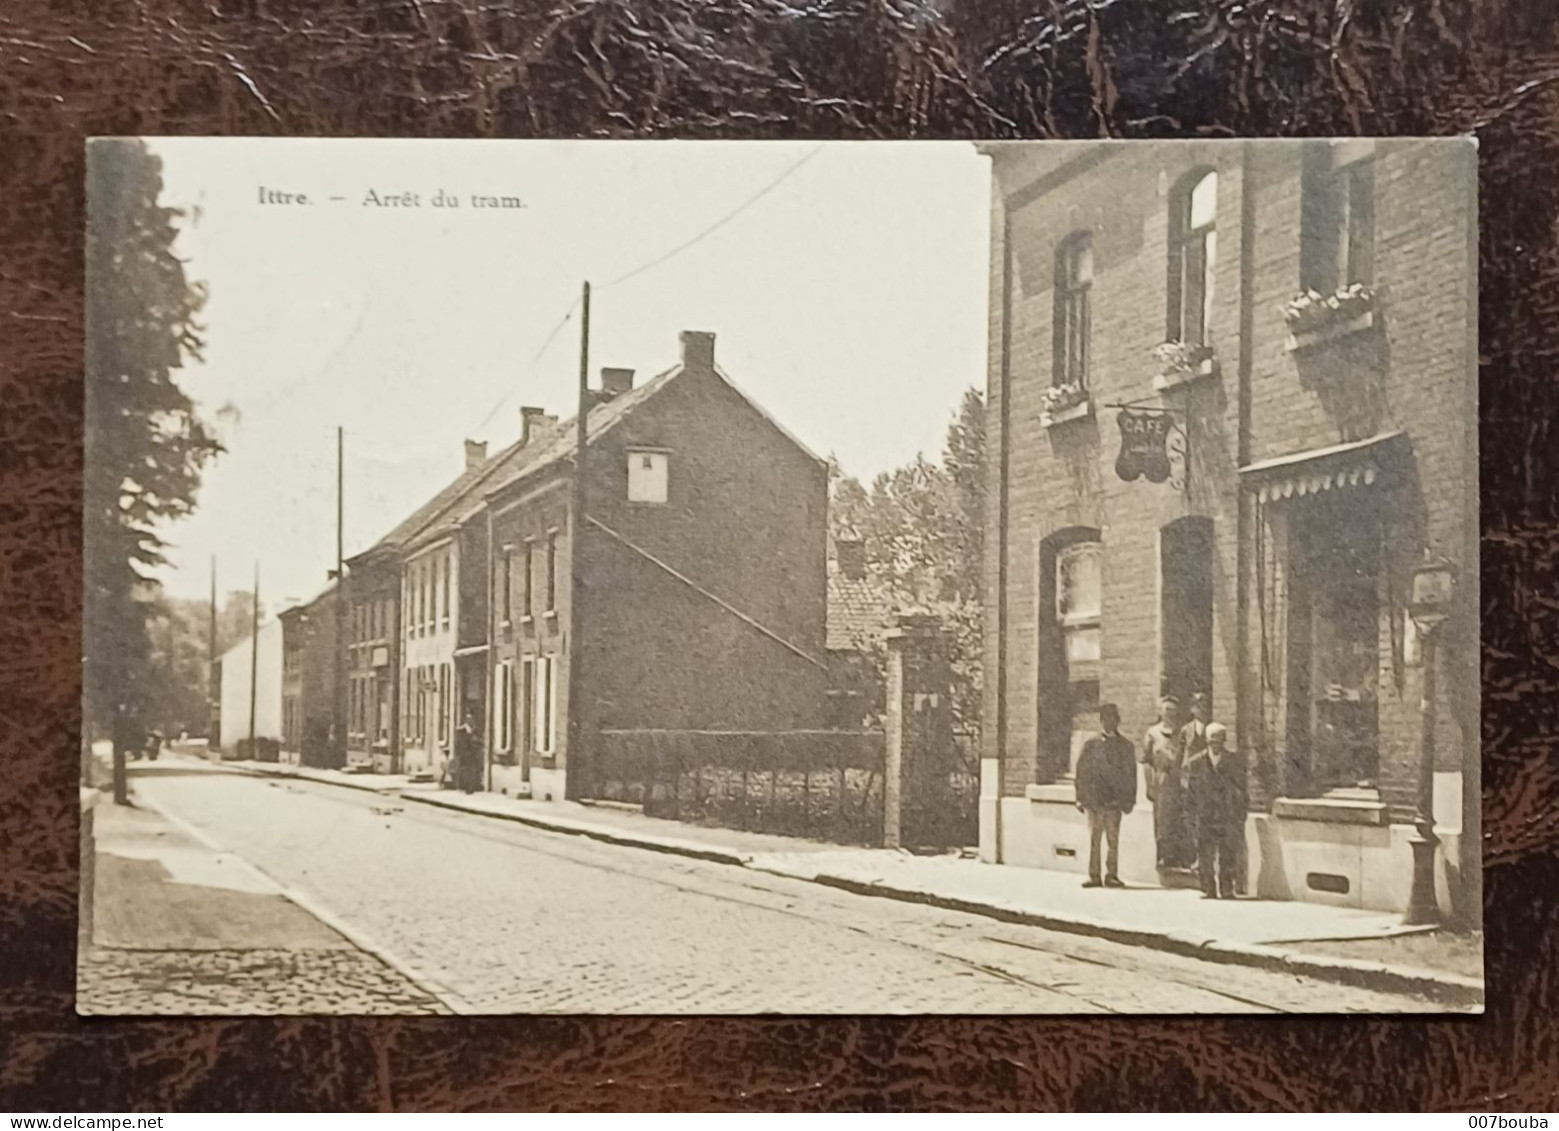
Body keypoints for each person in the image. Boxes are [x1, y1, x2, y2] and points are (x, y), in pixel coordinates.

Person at [1074, 703, 1137, 889]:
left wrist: (1129, 800)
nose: (1109, 723)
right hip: (1094, 800)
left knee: (1113, 840)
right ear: (1101, 721)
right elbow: (1081, 772)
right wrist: (1079, 797)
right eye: (1105, 719)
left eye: (1113, 719)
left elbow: (1131, 775)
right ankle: (1094, 875)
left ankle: (1111, 875)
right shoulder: (1091, 745)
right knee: (1094, 839)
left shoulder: (1126, 746)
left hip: (1114, 802)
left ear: (1118, 721)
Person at [1184, 722, 1247, 899]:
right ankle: (1208, 888)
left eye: (1219, 741)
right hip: (1205, 815)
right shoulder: (1196, 762)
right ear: (1207, 741)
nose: (1216, 745)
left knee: (1228, 853)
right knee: (1205, 853)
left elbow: (1241, 789)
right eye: (1212, 741)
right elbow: (1190, 792)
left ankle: (1227, 888)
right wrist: (1190, 815)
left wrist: (1240, 812)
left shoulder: (1233, 762)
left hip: (1227, 815)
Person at [1141, 695, 1193, 870]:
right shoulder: (1152, 733)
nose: (1171, 713)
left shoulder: (1184, 732)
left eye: (1174, 710)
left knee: (1182, 818)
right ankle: (1164, 856)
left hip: (1180, 782)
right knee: (1163, 819)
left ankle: (1182, 857)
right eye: (1167, 709)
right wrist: (1149, 785)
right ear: (1160, 712)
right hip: (1162, 782)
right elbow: (1146, 762)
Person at [454, 708, 480, 794]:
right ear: (466, 720)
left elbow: (479, 740)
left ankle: (472, 787)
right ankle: (464, 787)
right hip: (465, 754)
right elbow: (458, 743)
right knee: (465, 771)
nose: (470, 720)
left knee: (473, 771)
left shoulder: (475, 729)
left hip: (473, 754)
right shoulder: (461, 730)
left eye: (471, 719)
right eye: (468, 719)